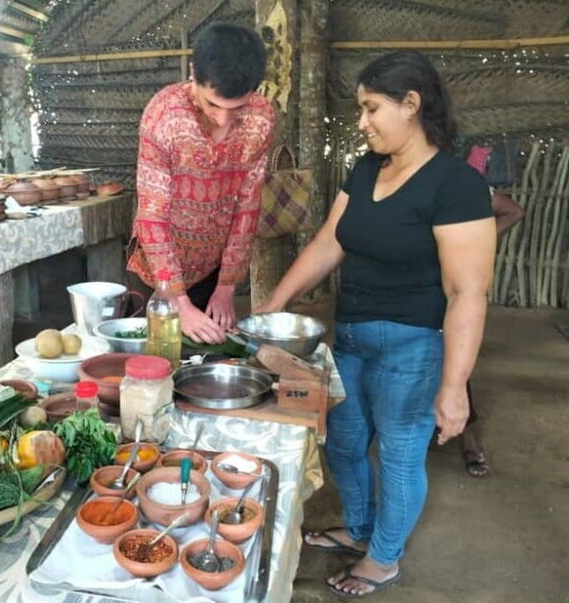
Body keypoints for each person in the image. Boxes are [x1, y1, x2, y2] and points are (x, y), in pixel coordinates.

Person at [254, 50, 496, 597]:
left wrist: (455, 387)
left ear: (411, 105)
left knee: (399, 451)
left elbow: (467, 291)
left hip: (413, 345)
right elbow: (329, 242)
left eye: (371, 108)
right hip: (353, 336)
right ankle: (360, 528)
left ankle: (383, 558)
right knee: (342, 442)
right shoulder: (366, 169)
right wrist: (277, 301)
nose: (362, 122)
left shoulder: (454, 184)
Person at [126, 23, 275, 344]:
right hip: (156, 275)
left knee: (207, 358)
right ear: (193, 73)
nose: (223, 119)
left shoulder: (261, 119)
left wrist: (226, 288)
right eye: (212, 104)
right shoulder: (164, 116)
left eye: (235, 109)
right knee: (152, 361)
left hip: (213, 270)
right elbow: (152, 217)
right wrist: (176, 300)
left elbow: (247, 209)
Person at [460, 152, 524, 477]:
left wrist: (477, 241)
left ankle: (468, 436)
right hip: (417, 283)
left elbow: (513, 211)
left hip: (456, 282)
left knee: (454, 355)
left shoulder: (468, 187)